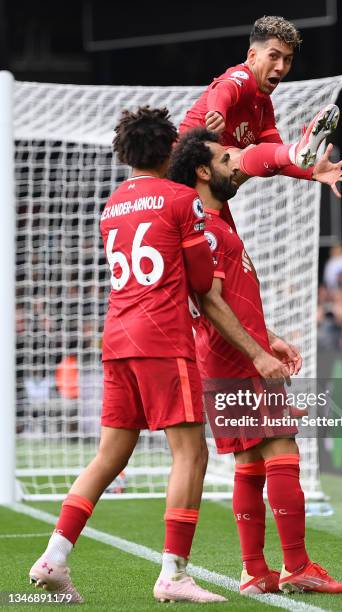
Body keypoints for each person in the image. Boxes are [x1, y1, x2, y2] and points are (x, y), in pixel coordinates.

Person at [28, 107, 226, 604]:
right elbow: (201, 282)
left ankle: (54, 557)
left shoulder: (111, 205)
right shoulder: (182, 199)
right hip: (163, 338)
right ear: (170, 151)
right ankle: (173, 573)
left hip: (117, 338)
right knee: (191, 452)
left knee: (109, 455)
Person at [168, 128, 342, 595]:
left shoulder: (212, 222)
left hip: (224, 356)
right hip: (237, 360)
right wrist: (257, 353)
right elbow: (211, 302)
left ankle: (255, 571)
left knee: (250, 461)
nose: (236, 162)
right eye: (226, 157)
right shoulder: (206, 229)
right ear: (203, 171)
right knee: (282, 449)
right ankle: (298, 567)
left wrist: (268, 337)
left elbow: (226, 299)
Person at [180, 15, 342, 207]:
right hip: (181, 172)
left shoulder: (264, 108)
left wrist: (313, 172)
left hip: (205, 193)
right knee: (239, 156)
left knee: (269, 160)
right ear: (252, 56)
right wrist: (217, 112)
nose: (281, 67)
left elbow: (276, 158)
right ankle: (297, 150)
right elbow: (223, 90)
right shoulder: (243, 77)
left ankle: (297, 150)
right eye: (273, 56)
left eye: (288, 60)